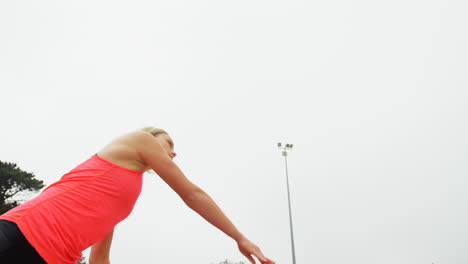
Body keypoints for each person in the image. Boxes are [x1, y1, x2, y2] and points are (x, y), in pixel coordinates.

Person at [0, 127, 275, 264]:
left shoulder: (127, 188)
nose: (174, 152)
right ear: (152, 138)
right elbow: (191, 194)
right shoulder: (139, 139)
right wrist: (240, 238)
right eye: (169, 143)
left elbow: (98, 256)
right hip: (22, 232)